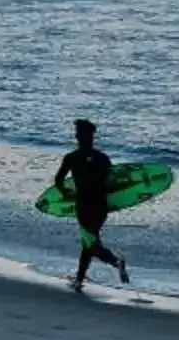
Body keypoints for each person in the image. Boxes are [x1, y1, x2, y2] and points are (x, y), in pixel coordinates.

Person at [51, 119, 130, 293]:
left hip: (84, 205)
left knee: (90, 244)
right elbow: (112, 182)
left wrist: (65, 194)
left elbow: (58, 180)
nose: (76, 135)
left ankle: (116, 263)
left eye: (77, 133)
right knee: (88, 242)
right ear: (92, 137)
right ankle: (79, 280)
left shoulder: (71, 158)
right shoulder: (103, 158)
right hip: (101, 207)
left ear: (79, 136)